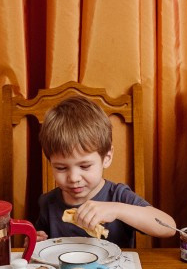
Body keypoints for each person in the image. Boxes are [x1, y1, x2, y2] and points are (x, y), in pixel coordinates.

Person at [33, 97, 176, 247]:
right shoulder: (47, 202)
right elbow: (42, 241)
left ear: (106, 158)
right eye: (61, 168)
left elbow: (169, 227)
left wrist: (117, 210)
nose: (74, 178)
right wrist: (36, 241)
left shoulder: (118, 196)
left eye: (85, 166)